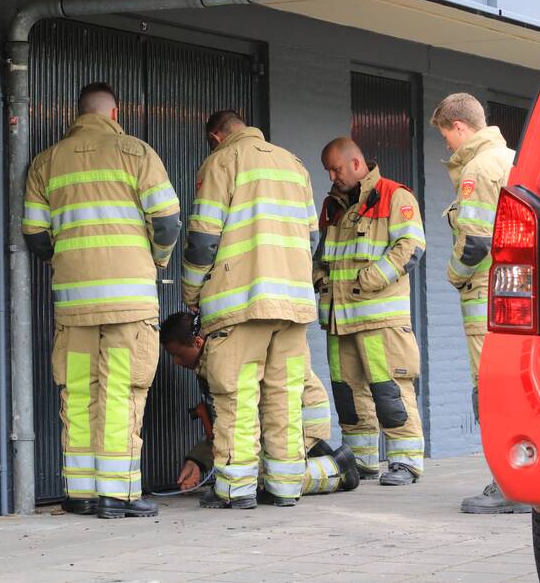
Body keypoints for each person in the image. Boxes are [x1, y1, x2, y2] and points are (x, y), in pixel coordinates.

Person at [21, 82, 181, 519]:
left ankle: (81, 493)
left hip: (73, 308)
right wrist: (157, 260)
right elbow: (167, 223)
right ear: (116, 113)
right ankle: (118, 494)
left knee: (77, 393)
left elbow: (35, 236)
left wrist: (72, 260)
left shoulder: (45, 162)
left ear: (77, 114)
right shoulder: (137, 153)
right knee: (122, 393)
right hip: (129, 305)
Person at [181, 109, 318, 509]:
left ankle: (237, 489)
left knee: (237, 395)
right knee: (285, 396)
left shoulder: (222, 161)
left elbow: (203, 239)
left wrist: (193, 292)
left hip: (241, 305)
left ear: (216, 137)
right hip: (292, 305)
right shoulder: (295, 164)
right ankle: (284, 485)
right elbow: (312, 238)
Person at [430, 92, 528, 514]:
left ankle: (507, 486)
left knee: (488, 390)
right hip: (515, 296)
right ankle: (522, 477)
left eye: (446, 137)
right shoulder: (512, 157)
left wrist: (453, 275)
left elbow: (473, 243)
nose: (447, 147)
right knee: (514, 386)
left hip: (485, 297)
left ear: (460, 127)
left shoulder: (477, 168)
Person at [317, 138, 426, 486]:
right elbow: (322, 254)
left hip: (379, 319)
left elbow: (411, 247)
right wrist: (320, 278)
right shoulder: (332, 207)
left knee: (389, 390)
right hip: (339, 320)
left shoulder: (395, 196)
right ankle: (361, 463)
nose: (332, 176)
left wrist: (369, 279)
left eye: (336, 168)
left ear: (356, 162)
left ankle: (406, 462)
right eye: (328, 171)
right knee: (349, 397)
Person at [160, 311, 359, 499]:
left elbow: (238, 419)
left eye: (178, 354)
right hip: (283, 421)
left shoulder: (224, 359)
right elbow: (227, 425)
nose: (176, 362)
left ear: (197, 342)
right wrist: (197, 461)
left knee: (253, 481)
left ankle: (338, 469)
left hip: (296, 418)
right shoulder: (209, 363)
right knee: (248, 477)